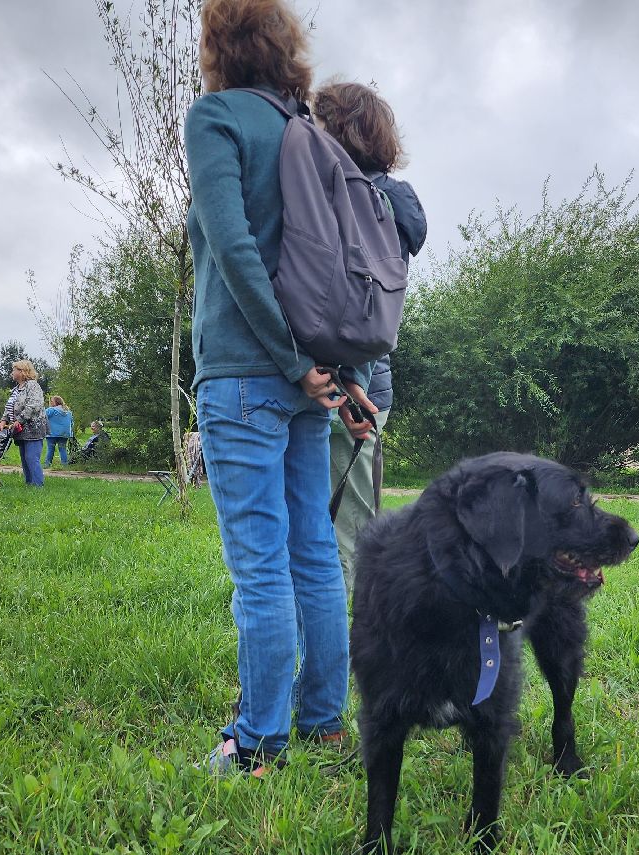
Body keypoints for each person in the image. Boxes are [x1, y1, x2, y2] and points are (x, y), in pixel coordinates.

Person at [187, 0, 375, 776]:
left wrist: (288, 359)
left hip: (244, 375)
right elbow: (335, 261)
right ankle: (326, 722)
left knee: (262, 566)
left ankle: (259, 745)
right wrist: (331, 370)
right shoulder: (309, 130)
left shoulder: (217, 119)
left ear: (218, 47)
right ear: (287, 47)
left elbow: (233, 247)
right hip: (307, 383)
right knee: (313, 558)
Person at [312, 80, 428, 592]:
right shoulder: (390, 204)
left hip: (342, 387)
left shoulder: (350, 198)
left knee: (342, 535)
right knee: (353, 524)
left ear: (338, 130)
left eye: (316, 124)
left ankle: (347, 660)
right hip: (368, 382)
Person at [0, 359, 47, 486]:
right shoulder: (16, 389)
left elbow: (33, 405)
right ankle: (29, 483)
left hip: (33, 427)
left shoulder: (32, 385)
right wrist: (4, 420)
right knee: (25, 458)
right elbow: (10, 406)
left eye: (14, 370)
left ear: (22, 371)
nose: (12, 372)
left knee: (31, 457)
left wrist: (19, 420)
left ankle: (38, 485)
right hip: (20, 429)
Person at [44, 395, 74, 467]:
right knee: (62, 449)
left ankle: (47, 464)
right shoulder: (68, 412)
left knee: (50, 449)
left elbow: (42, 416)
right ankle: (65, 465)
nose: (50, 403)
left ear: (55, 402)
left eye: (51, 401)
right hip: (64, 434)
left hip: (52, 433)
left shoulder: (51, 410)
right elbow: (72, 423)